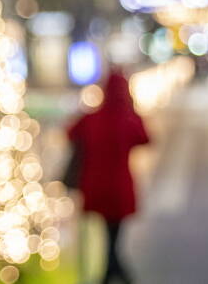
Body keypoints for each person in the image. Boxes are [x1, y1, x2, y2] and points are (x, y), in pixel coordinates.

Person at [66, 69, 149, 284]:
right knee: (113, 235)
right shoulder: (127, 119)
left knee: (109, 235)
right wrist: (134, 109)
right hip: (119, 188)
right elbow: (145, 138)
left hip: (95, 186)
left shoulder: (93, 117)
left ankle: (110, 273)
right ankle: (116, 274)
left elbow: (70, 133)